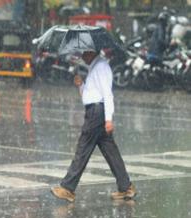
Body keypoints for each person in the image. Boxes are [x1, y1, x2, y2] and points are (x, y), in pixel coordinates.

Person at [51, 50, 136, 203]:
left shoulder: (101, 66)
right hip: (95, 110)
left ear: (92, 51)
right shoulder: (94, 67)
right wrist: (81, 85)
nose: (82, 56)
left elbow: (107, 94)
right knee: (110, 151)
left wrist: (109, 118)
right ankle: (126, 187)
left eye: (84, 53)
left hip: (97, 113)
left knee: (83, 148)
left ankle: (68, 188)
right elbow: (89, 97)